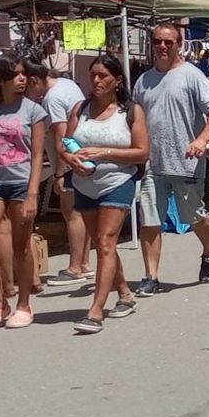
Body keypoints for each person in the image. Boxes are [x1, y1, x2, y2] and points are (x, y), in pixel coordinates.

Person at [133, 24, 209, 295]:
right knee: (149, 220)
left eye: (168, 42)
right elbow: (136, 120)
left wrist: (202, 139)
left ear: (179, 43)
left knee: (194, 217)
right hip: (153, 164)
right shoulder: (143, 81)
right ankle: (151, 276)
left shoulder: (191, 76)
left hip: (185, 162)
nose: (162, 47)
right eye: (157, 42)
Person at [65, 55, 149, 332]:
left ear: (118, 80)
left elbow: (142, 152)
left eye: (103, 76)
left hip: (118, 180)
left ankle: (96, 310)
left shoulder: (131, 111)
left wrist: (105, 152)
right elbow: (67, 144)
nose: (97, 81)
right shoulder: (80, 108)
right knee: (104, 246)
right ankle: (124, 293)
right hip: (84, 184)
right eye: (93, 76)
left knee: (105, 242)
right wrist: (71, 159)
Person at [0, 56, 49, 329]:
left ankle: (24, 304)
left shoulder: (33, 110)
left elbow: (39, 154)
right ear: (1, 79)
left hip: (22, 182)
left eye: (23, 74)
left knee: (21, 245)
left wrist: (32, 193)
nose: (22, 79)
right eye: (16, 74)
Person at [27, 60, 91, 286]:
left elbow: (61, 136)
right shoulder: (68, 84)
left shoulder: (52, 98)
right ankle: (84, 263)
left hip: (69, 162)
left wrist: (60, 172)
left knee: (71, 213)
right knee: (83, 212)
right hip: (82, 156)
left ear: (35, 80)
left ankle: (75, 267)